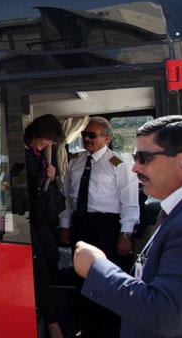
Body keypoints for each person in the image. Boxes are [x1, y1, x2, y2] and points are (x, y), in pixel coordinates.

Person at [73, 115, 182, 338]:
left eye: (144, 158)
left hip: (106, 225)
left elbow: (165, 315)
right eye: (135, 157)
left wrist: (97, 268)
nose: (135, 168)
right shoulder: (175, 213)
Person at [60, 117, 140, 336]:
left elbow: (129, 202)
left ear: (107, 138)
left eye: (92, 135)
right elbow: (69, 198)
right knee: (81, 276)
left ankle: (110, 328)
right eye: (84, 135)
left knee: (106, 276)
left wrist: (125, 234)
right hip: (82, 223)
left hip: (107, 226)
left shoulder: (118, 163)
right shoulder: (75, 161)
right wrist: (65, 224)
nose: (87, 139)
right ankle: (86, 326)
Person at [23, 114, 65, 338]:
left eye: (50, 142)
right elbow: (17, 183)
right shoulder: (22, 156)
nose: (47, 145)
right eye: (44, 140)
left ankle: (41, 304)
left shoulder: (40, 156)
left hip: (40, 218)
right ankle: (51, 321)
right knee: (39, 269)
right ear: (34, 135)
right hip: (26, 219)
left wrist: (51, 175)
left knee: (51, 255)